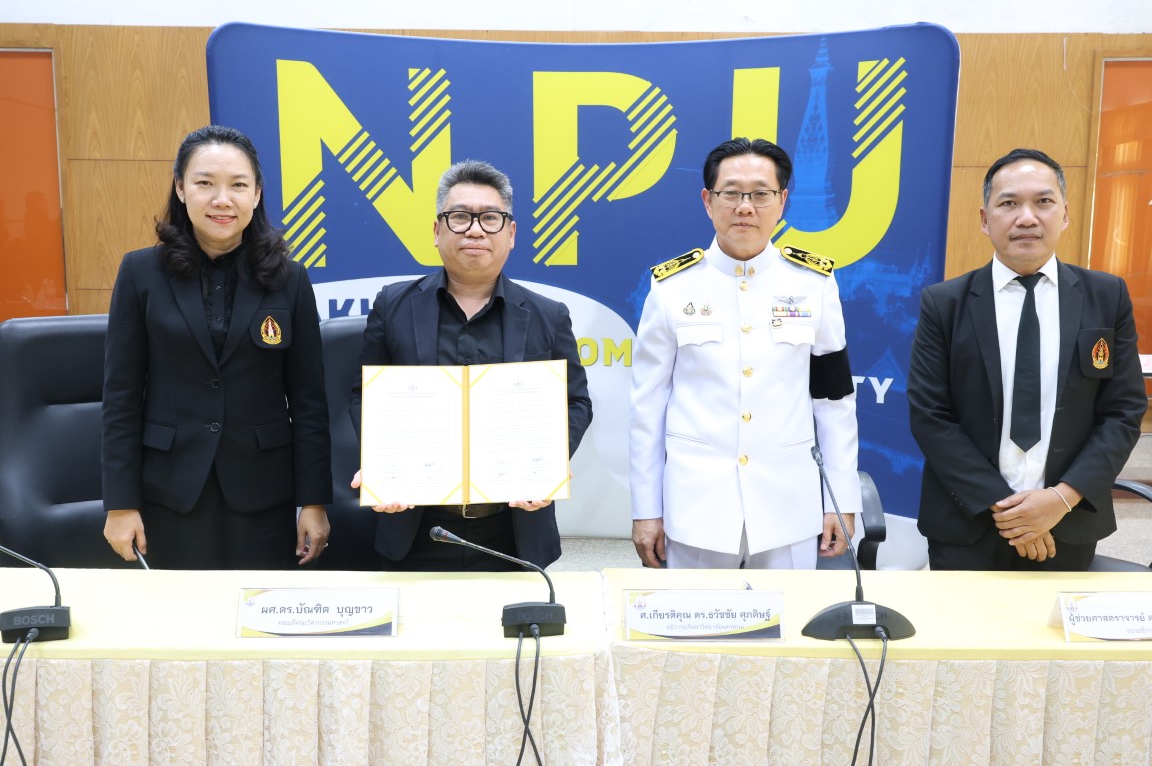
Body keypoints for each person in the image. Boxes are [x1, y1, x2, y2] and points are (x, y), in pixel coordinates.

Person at [102, 125, 332, 569]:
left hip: (263, 493)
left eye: (238, 185)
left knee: (260, 609)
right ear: (180, 188)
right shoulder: (139, 274)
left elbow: (309, 403)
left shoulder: (290, 279)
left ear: (257, 194)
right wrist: (120, 504)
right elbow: (120, 398)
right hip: (169, 492)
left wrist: (314, 502)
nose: (222, 199)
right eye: (205, 183)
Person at [908, 148, 1147, 571]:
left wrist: (1059, 499)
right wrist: (1013, 514)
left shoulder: (1106, 297)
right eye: (1009, 203)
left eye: (1043, 201)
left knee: (1056, 617)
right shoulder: (944, 304)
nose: (1027, 218)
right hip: (968, 523)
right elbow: (931, 415)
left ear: (1065, 214)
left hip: (1067, 521)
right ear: (985, 219)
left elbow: (1123, 411)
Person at [350, 160, 593, 571]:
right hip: (415, 526)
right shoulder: (392, 305)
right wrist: (383, 463)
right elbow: (364, 396)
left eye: (490, 218)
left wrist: (547, 463)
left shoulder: (548, 315)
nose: (475, 230)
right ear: (436, 231)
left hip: (513, 531)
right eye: (460, 217)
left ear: (511, 233)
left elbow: (576, 403)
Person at [629, 137, 860, 570]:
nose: (745, 207)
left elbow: (834, 402)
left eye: (760, 194)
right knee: (693, 616)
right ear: (708, 201)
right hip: (696, 509)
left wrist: (840, 500)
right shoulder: (672, 287)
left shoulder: (814, 284)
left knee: (791, 614)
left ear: (782, 201)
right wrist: (646, 510)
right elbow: (648, 407)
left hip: (788, 506)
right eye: (731, 193)